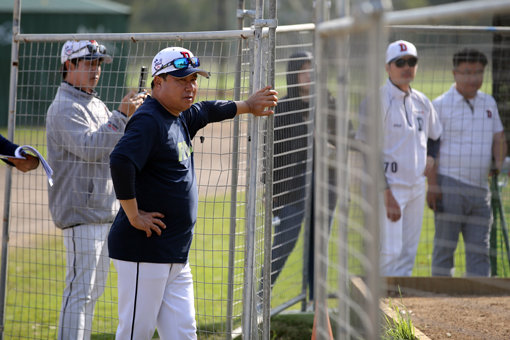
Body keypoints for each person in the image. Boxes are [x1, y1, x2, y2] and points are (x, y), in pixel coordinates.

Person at [107, 46, 278, 339]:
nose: (191, 87)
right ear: (158, 83)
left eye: (194, 80)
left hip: (174, 253)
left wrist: (248, 105)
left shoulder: (178, 115)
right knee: (136, 332)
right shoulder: (150, 119)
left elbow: (209, 109)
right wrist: (133, 215)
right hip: (143, 250)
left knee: (184, 333)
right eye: (182, 80)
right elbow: (120, 160)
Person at [46, 40, 144, 340]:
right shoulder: (63, 107)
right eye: (89, 63)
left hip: (103, 212)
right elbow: (90, 148)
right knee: (80, 293)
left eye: (99, 63)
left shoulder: (95, 103)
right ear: (69, 65)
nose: (96, 70)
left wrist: (131, 116)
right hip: (81, 214)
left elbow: (113, 143)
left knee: (91, 293)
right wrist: (121, 115)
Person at [356, 40, 442, 276]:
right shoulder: (377, 100)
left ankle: (398, 307)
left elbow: (435, 136)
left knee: (408, 253)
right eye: (400, 62)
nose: (407, 67)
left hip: (415, 187)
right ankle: (377, 306)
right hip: (388, 187)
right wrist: (386, 193)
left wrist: (431, 164)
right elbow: (367, 150)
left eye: (412, 62)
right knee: (389, 252)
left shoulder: (422, 102)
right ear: (387, 67)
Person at [427, 48, 506, 277]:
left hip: (481, 191)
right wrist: (433, 186)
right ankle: (440, 303)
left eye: (479, 72)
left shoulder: (488, 102)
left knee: (480, 251)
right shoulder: (440, 105)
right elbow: (431, 148)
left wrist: (497, 165)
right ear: (454, 73)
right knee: (444, 249)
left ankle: (479, 307)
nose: (473, 78)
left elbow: (499, 136)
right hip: (449, 185)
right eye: (467, 72)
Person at [266, 51, 337, 302]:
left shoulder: (328, 105)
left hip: (326, 187)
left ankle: (315, 297)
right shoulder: (281, 109)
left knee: (319, 247)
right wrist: (272, 193)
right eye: (304, 70)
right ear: (293, 75)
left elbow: (344, 139)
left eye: (313, 70)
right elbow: (270, 155)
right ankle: (261, 297)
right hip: (291, 190)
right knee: (283, 246)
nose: (309, 76)